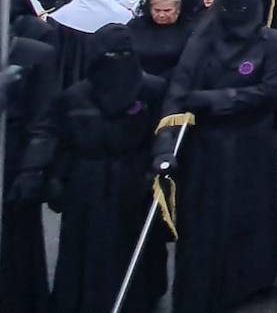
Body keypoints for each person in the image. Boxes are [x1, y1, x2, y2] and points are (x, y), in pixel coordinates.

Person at [153, 0, 277, 313]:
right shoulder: (202, 41)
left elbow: (271, 88)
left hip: (252, 143)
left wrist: (218, 99)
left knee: (250, 214)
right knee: (205, 220)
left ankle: (251, 279)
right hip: (207, 146)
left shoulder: (272, 42)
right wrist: (164, 146)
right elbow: (178, 92)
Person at [15, 23, 168, 313]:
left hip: (134, 182)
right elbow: (54, 135)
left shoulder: (151, 89)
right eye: (111, 54)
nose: (117, 62)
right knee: (86, 249)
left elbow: (161, 130)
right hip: (87, 184)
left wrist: (158, 161)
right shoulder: (73, 96)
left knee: (133, 246)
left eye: (124, 53)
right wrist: (45, 174)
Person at [2, 0, 60, 313]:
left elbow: (44, 117)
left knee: (17, 245)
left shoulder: (34, 51)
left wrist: (33, 168)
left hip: (13, 157)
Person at [128, 0, 192, 78]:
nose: (161, 15)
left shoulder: (189, 30)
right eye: (157, 10)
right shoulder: (136, 25)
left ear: (178, 9)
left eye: (167, 11)